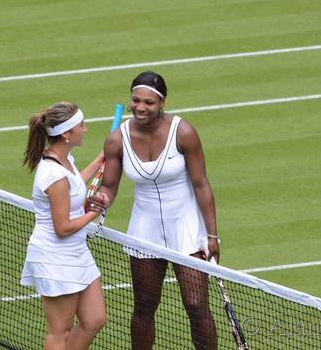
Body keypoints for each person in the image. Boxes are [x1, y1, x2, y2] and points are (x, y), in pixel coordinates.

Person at [93, 71, 219, 350]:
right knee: (145, 305)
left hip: (186, 224)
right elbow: (109, 186)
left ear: (162, 103)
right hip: (145, 227)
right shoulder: (117, 139)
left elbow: (201, 185)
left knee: (196, 303)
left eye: (148, 102)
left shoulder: (183, 132)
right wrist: (102, 196)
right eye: (136, 100)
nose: (140, 107)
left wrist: (212, 235)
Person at [20, 102, 108, 350]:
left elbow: (75, 186)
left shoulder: (64, 159)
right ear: (67, 134)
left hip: (76, 253)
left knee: (95, 319)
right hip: (54, 258)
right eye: (81, 125)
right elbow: (63, 227)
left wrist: (101, 159)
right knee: (60, 332)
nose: (86, 129)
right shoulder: (53, 174)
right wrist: (93, 213)